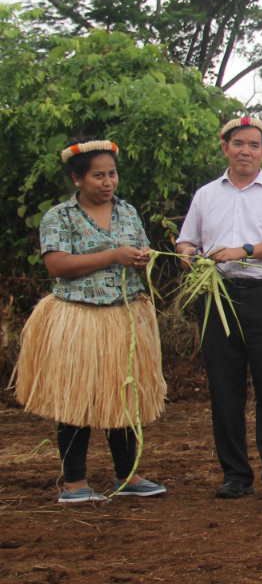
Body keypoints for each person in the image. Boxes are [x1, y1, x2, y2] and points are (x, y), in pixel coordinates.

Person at [15, 138, 168, 503]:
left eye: (112, 174)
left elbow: (141, 250)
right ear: (77, 179)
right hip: (79, 318)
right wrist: (113, 255)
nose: (107, 182)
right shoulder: (60, 217)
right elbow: (57, 265)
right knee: (77, 399)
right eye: (98, 175)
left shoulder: (127, 212)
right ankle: (74, 483)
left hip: (124, 316)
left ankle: (127, 476)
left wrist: (142, 259)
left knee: (124, 396)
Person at [176, 117, 262, 500]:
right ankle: (235, 474)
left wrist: (243, 251)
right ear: (225, 147)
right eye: (238, 143)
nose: (245, 151)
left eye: (253, 145)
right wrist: (189, 256)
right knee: (224, 389)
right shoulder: (206, 195)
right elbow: (185, 242)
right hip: (217, 297)